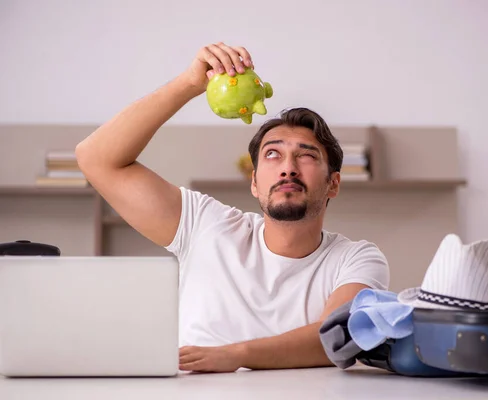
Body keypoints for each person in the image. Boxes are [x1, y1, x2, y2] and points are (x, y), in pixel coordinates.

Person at [75, 42, 390, 373]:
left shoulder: (357, 259)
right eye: (273, 154)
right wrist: (189, 84)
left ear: (333, 184)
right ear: (254, 182)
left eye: (307, 155)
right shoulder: (207, 226)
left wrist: (235, 355)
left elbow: (336, 336)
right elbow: (95, 158)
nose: (288, 168)